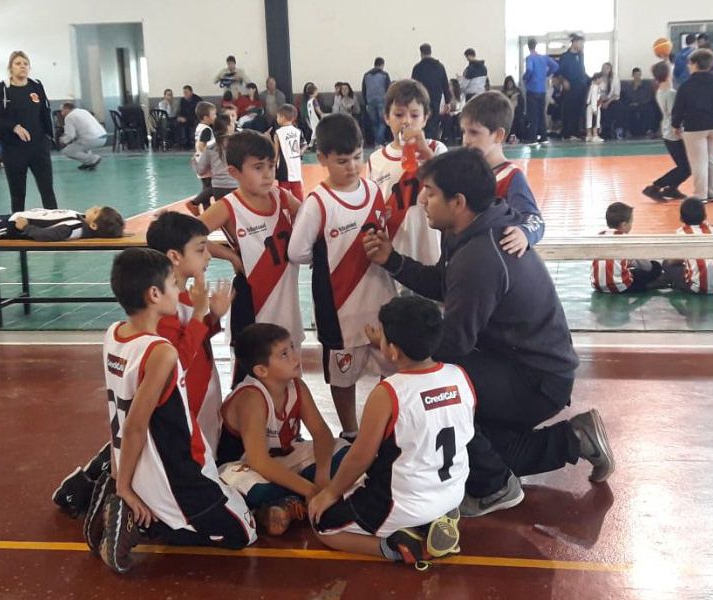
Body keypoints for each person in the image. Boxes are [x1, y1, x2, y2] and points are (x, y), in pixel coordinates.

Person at [364, 149, 614, 516]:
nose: (423, 200)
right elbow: (445, 284)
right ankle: (573, 439)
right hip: (521, 365)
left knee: (435, 388)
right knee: (480, 451)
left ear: (458, 201)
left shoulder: (480, 255)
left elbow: (453, 343)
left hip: (535, 380)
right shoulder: (470, 230)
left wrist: (397, 347)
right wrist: (393, 261)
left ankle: (495, 489)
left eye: (430, 192)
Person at [52, 211, 235, 516]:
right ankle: (100, 493)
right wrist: (204, 314)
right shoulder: (162, 310)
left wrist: (212, 315)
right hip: (180, 402)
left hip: (195, 396)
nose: (208, 256)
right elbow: (176, 360)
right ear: (175, 257)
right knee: (158, 458)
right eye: (201, 249)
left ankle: (90, 482)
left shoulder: (184, 298)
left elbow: (196, 339)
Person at [92, 248, 257, 574]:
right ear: (154, 294)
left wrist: (201, 315)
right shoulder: (159, 351)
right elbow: (137, 425)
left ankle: (128, 501)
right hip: (172, 469)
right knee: (245, 530)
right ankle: (141, 520)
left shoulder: (114, 334)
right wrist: (122, 485)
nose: (178, 290)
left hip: (136, 461)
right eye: (173, 284)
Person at [309, 296, 471, 567]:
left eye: (382, 336)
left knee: (322, 524)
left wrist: (330, 493)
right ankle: (433, 521)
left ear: (393, 351)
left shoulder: (389, 393)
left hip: (403, 503)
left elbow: (360, 457)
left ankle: (399, 547)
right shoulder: (459, 375)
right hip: (453, 492)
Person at [289, 113, 396, 439]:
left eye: (356, 157)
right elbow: (297, 252)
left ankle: (387, 428)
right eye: (341, 161)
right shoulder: (317, 203)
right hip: (339, 311)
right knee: (342, 376)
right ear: (322, 159)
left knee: (391, 370)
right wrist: (327, 257)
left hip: (380, 302)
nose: (351, 166)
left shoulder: (374, 191)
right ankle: (350, 431)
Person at [217, 323, 347, 535]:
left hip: (282, 459)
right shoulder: (251, 398)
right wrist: (312, 489)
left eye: (293, 347)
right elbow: (258, 461)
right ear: (261, 370)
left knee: (346, 453)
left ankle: (286, 504)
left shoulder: (297, 386)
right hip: (243, 466)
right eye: (284, 354)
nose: (296, 357)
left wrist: (323, 476)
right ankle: (285, 501)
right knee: (250, 488)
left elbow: (322, 434)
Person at [198, 131, 304, 383]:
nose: (268, 173)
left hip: (285, 296)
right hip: (252, 297)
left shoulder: (281, 197)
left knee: (288, 366)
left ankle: (284, 419)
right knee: (250, 375)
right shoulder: (228, 206)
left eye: (271, 165)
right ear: (234, 173)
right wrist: (230, 257)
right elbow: (190, 235)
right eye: (258, 167)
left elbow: (311, 218)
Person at [367, 79, 448, 266]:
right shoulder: (376, 159)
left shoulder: (436, 149)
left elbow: (450, 185)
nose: (406, 121)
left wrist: (425, 153)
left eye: (414, 115)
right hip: (396, 250)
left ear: (425, 118)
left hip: (432, 249)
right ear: (387, 117)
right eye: (398, 114)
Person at [460, 91, 545, 254]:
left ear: (498, 135)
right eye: (464, 132)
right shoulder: (466, 173)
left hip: (493, 260)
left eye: (474, 132)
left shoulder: (511, 177)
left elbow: (535, 219)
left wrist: (524, 233)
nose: (466, 140)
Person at [0, 51, 58, 212]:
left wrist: (49, 137)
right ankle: (16, 228)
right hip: (14, 150)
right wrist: (14, 127)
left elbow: (45, 112)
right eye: (18, 63)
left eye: (25, 63)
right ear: (10, 68)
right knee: (18, 194)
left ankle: (55, 222)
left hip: (39, 147)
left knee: (48, 190)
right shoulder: (3, 89)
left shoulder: (36, 86)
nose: (22, 67)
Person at [671, 49, 713, 202]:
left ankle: (700, 195)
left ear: (694, 64)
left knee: (698, 161)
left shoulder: (687, 85)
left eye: (689, 63)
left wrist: (675, 124)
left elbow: (679, 107)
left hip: (694, 127)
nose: (688, 66)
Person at [643, 61, 691, 201]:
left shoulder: (660, 90)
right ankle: (656, 186)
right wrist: (681, 131)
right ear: (668, 74)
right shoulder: (671, 93)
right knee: (686, 167)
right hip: (674, 133)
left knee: (684, 166)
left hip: (667, 131)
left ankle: (672, 188)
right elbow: (674, 114)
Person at [663, 198, 713, 295]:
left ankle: (667, 280)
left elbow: (673, 260)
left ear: (681, 218)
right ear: (705, 215)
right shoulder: (712, 229)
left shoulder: (681, 233)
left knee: (667, 263)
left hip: (697, 288)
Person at [591, 202, 663, 293]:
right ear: (624, 224)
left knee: (626, 269)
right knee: (655, 268)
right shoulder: (627, 240)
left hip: (597, 285)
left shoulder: (598, 236)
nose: (631, 225)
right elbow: (646, 266)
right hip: (621, 287)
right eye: (631, 222)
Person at [411, 43, 451, 140]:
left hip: (421, 100)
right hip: (435, 99)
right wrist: (447, 101)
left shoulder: (418, 67)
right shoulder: (440, 66)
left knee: (423, 121)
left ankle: (424, 142)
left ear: (421, 53)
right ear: (430, 51)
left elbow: (413, 86)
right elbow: (445, 84)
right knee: (434, 122)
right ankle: (433, 142)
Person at [523, 38, 559, 144]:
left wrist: (526, 78)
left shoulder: (529, 58)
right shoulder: (544, 58)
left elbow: (529, 70)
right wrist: (546, 74)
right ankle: (544, 137)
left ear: (528, 46)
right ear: (536, 45)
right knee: (541, 114)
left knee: (533, 115)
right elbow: (556, 66)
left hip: (532, 90)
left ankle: (533, 138)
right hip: (542, 90)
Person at [186, 101, 217, 214]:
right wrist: (208, 158)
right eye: (213, 114)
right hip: (205, 161)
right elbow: (200, 145)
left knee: (206, 187)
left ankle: (207, 213)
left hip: (200, 159)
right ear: (206, 117)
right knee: (213, 187)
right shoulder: (207, 129)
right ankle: (194, 202)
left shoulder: (200, 127)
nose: (215, 117)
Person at [58, 102, 106, 170]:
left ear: (66, 109)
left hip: (92, 139)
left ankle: (93, 159)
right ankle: (88, 163)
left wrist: (62, 140)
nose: (61, 113)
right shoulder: (83, 111)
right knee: (80, 145)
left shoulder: (69, 117)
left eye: (62, 110)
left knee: (67, 151)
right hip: (103, 136)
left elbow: (70, 136)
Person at [274, 104, 307, 200]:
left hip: (284, 169)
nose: (277, 119)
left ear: (282, 117)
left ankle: (285, 213)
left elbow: (276, 152)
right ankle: (299, 214)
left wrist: (273, 166)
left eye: (278, 116)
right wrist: (300, 152)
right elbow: (305, 144)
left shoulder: (278, 133)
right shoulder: (298, 131)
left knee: (284, 197)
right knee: (298, 197)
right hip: (296, 168)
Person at [558, 34, 588, 139]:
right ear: (574, 42)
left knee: (578, 110)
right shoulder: (565, 57)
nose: (582, 46)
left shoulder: (581, 56)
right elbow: (559, 72)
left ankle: (576, 131)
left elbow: (582, 71)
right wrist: (563, 80)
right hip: (569, 87)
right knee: (569, 110)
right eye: (580, 43)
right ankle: (567, 133)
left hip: (580, 87)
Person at [362, 58, 392, 147]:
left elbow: (364, 89)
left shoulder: (366, 75)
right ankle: (379, 142)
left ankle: (377, 142)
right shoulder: (384, 75)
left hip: (370, 101)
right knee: (382, 122)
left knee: (374, 123)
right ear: (382, 65)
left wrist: (366, 102)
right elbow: (389, 89)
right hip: (382, 101)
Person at [620, 67, 657, 138]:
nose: (637, 76)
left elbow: (648, 96)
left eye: (639, 74)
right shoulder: (628, 86)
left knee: (649, 109)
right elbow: (627, 97)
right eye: (636, 75)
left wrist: (640, 103)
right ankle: (628, 131)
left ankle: (649, 130)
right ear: (633, 75)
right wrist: (634, 92)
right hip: (632, 104)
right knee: (626, 109)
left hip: (643, 104)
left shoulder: (646, 84)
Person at [597, 62, 622, 139]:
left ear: (610, 70)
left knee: (616, 107)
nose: (605, 70)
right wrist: (600, 101)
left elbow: (616, 94)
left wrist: (607, 102)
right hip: (599, 100)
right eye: (603, 68)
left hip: (611, 100)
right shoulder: (598, 78)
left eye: (607, 68)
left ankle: (616, 131)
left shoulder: (614, 78)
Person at [439, 78, 465, 145]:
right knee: (448, 118)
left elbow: (462, 108)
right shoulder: (444, 95)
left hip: (457, 114)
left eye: (450, 84)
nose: (448, 86)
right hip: (447, 114)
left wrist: (453, 113)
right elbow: (441, 107)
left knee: (458, 117)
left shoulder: (461, 96)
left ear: (454, 86)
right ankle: (446, 138)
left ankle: (459, 138)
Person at [500, 76, 525, 142]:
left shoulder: (518, 91)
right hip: (507, 112)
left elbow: (521, 103)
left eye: (510, 83)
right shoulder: (503, 93)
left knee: (518, 120)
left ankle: (519, 137)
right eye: (508, 83)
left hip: (517, 112)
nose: (509, 84)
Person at [585, 72, 604, 142]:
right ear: (597, 79)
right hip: (594, 106)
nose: (601, 81)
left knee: (589, 121)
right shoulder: (595, 87)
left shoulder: (592, 86)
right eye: (600, 79)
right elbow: (593, 98)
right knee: (595, 121)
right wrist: (594, 109)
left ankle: (589, 135)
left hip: (591, 106)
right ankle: (595, 135)